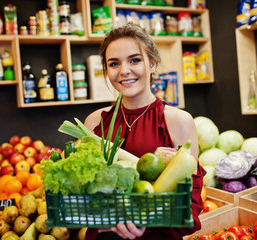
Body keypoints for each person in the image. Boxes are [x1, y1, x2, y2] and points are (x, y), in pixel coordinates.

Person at [84, 22, 205, 240]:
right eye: (114, 63)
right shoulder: (94, 123)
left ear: (152, 63)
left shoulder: (178, 121)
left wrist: (146, 222)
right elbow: (83, 193)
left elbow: (190, 203)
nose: (124, 71)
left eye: (135, 60)